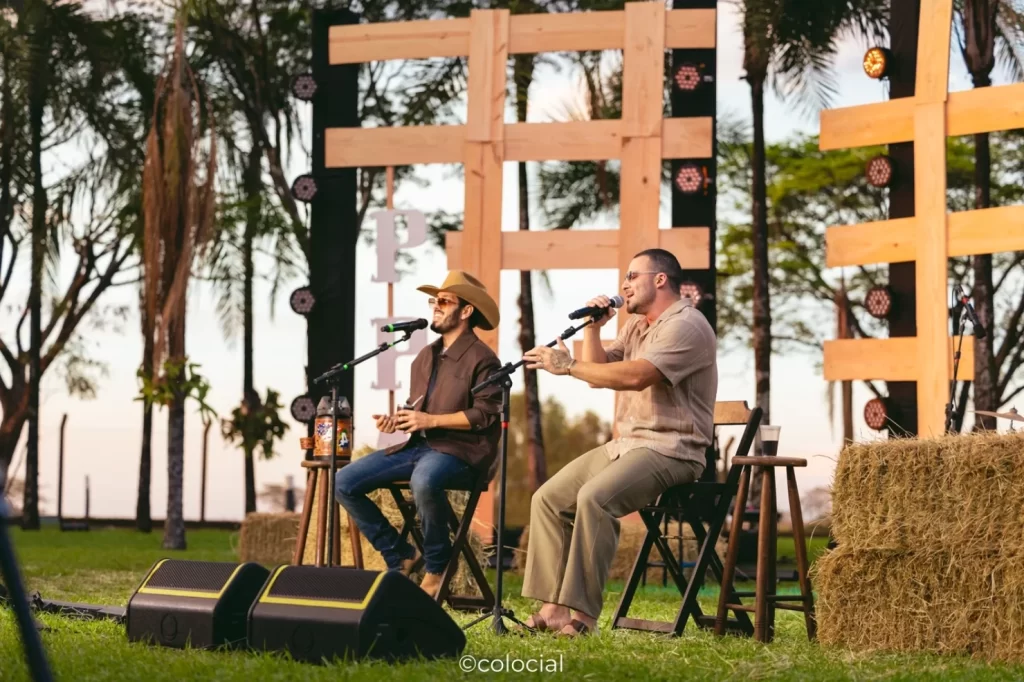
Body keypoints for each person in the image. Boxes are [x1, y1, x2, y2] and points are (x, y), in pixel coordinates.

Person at [519, 248, 718, 637]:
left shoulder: (687, 324)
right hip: (627, 444)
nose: (623, 285)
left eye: (632, 276)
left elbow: (636, 376)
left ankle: (584, 616)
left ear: (660, 279)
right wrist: (594, 328)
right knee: (548, 498)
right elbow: (600, 375)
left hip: (673, 448)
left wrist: (570, 366)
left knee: (595, 498)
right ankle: (554, 607)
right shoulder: (638, 326)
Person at [334, 270, 502, 596]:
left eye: (443, 301)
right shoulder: (424, 357)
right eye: (433, 301)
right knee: (344, 481)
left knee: (424, 481)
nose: (435, 307)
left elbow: (484, 415)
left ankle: (437, 568)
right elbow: (419, 408)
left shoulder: (484, 359)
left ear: (466, 311)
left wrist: (430, 421)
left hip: (461, 453)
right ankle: (401, 554)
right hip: (418, 448)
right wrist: (399, 421)